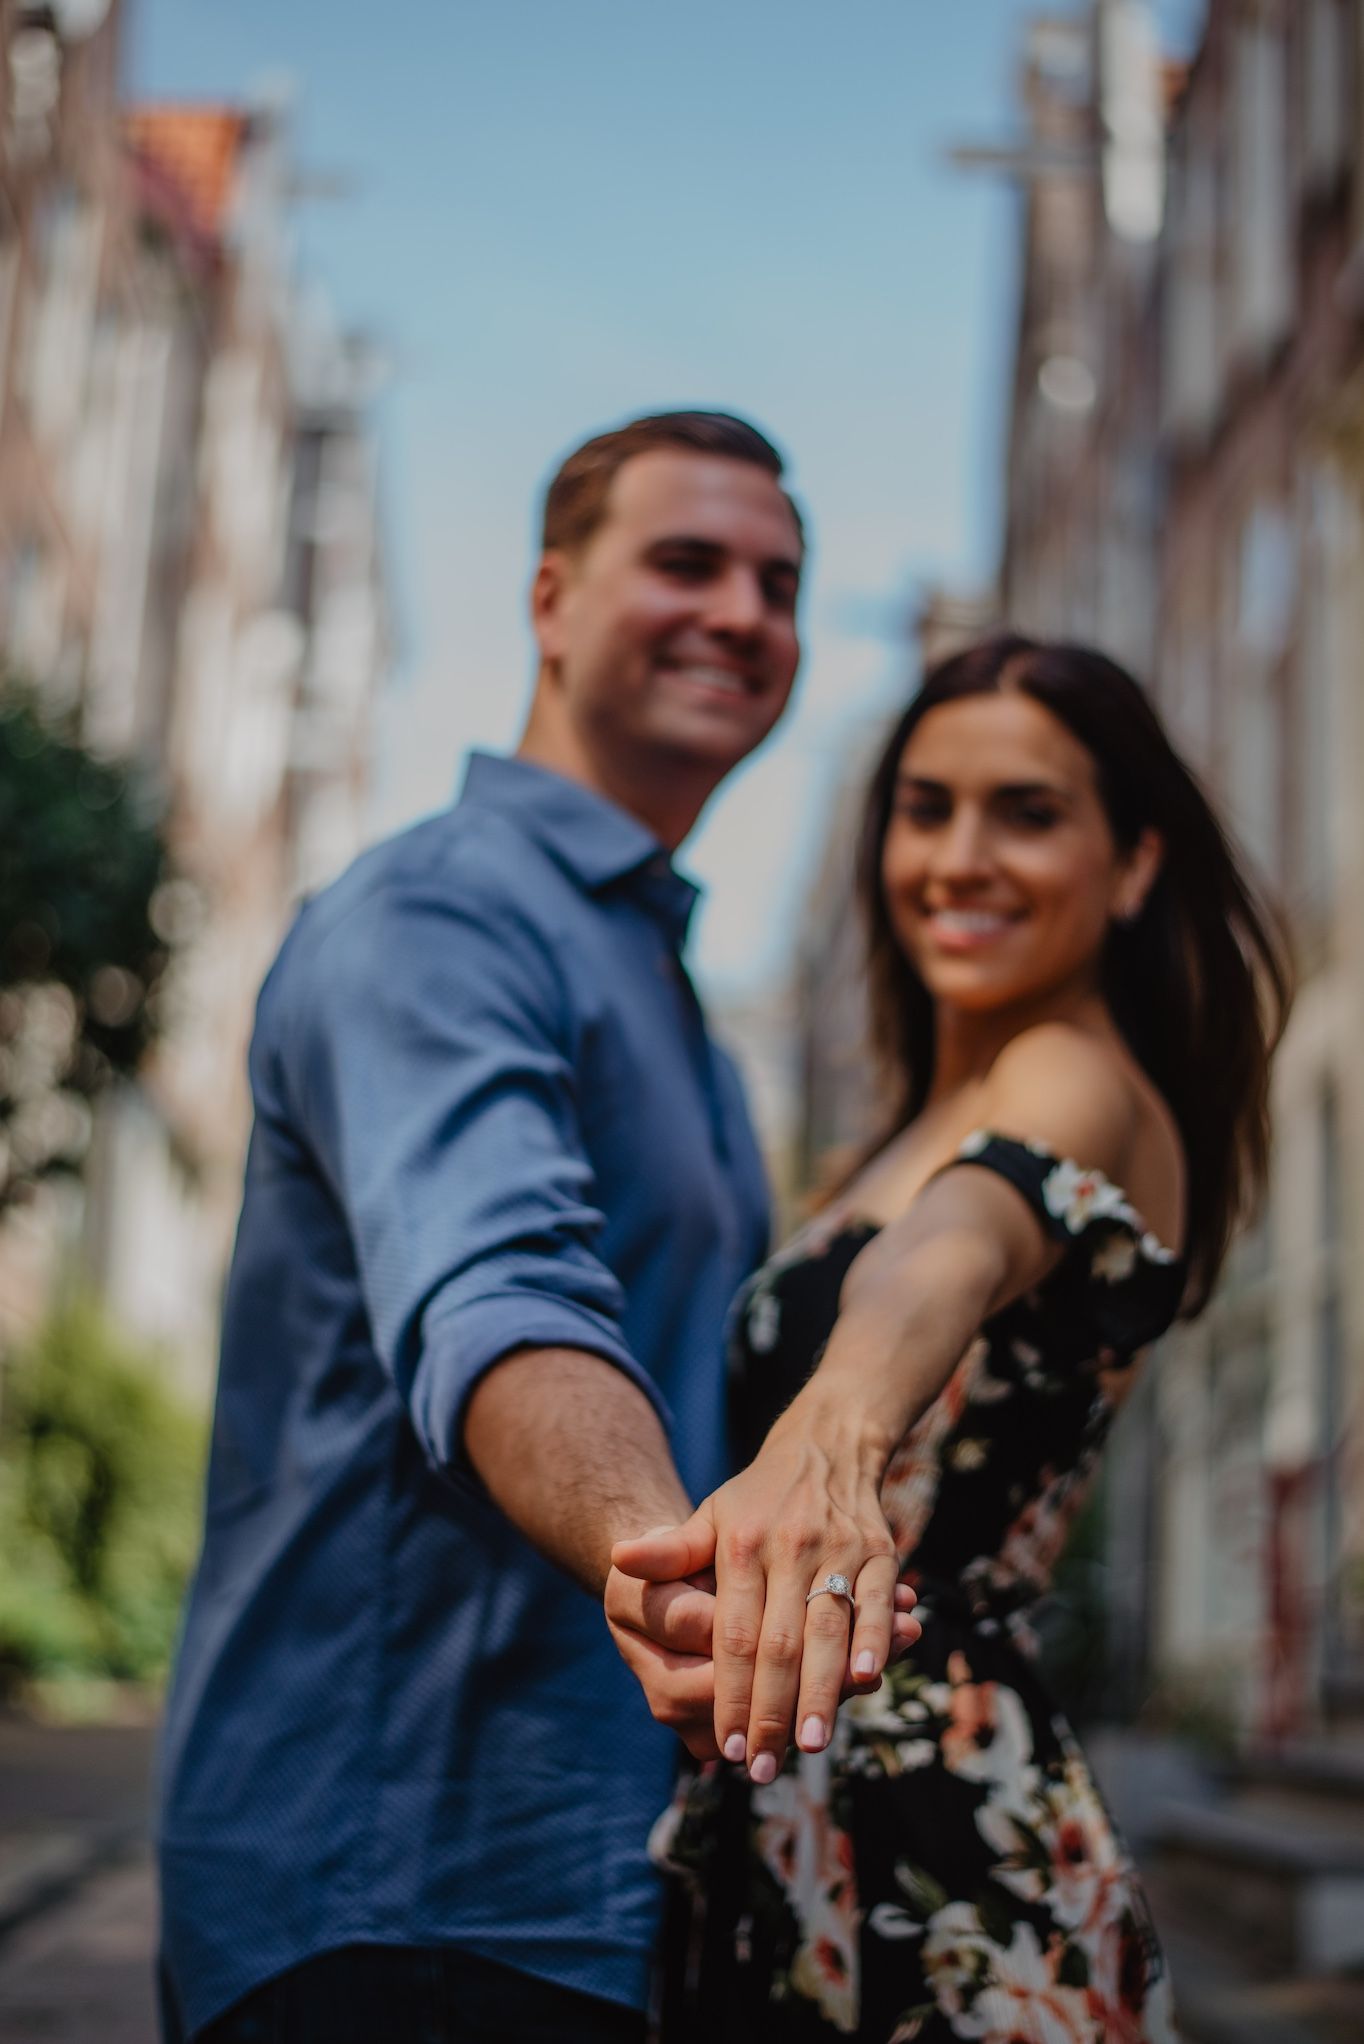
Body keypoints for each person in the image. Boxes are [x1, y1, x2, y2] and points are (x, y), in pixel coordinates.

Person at [156, 410, 824, 2043]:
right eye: (686, 561)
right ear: (550, 599)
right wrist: (670, 1578)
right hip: (392, 1901)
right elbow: (500, 1299)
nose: (742, 609)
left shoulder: (671, 996)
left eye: (778, 579)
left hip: (593, 1888)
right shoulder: (439, 914)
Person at [613, 634, 1291, 2040]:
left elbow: (957, 1243)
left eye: (1028, 813)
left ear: (1136, 863)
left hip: (942, 1858)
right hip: (791, 1828)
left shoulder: (1077, 1079)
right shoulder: (903, 1127)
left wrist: (832, 1435)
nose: (961, 857)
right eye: (926, 808)